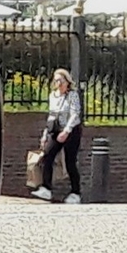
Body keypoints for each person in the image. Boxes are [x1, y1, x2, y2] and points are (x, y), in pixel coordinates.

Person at [32, 67, 83, 203]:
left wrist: (67, 130)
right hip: (56, 129)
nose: (58, 83)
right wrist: (45, 134)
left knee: (70, 161)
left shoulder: (72, 95)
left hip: (71, 130)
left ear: (67, 81)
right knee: (47, 156)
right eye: (56, 81)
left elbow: (75, 114)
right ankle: (46, 188)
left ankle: (75, 193)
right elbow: (51, 115)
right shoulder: (53, 96)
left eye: (61, 80)